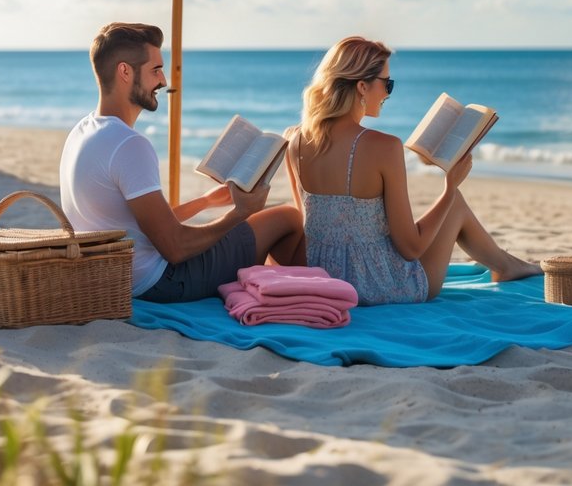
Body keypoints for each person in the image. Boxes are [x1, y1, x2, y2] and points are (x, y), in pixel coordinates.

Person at [285, 36, 539, 305]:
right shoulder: (383, 147)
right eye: (387, 84)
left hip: (326, 281)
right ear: (362, 86)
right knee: (454, 204)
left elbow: (306, 226)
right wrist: (450, 187)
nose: (387, 94)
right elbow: (411, 248)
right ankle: (507, 266)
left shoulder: (294, 140)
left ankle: (507, 264)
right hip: (378, 285)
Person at [60, 22, 304, 302]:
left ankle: (280, 287)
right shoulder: (129, 144)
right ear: (125, 72)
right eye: (155, 70)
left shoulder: (81, 132)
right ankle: (300, 297)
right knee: (288, 217)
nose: (163, 81)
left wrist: (206, 202)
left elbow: (140, 225)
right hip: (161, 282)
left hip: (117, 276)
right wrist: (240, 211)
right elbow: (175, 248)